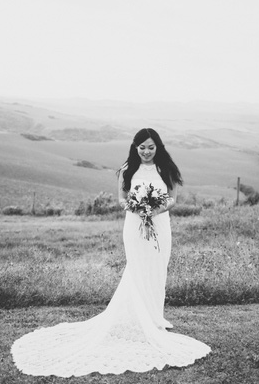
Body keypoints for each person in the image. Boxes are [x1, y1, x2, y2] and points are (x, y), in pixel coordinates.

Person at [11, 128, 210, 377]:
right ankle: (140, 320)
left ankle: (155, 319)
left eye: (151, 147)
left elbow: (172, 199)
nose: (146, 152)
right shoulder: (128, 169)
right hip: (134, 225)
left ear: (158, 146)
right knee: (137, 267)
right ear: (135, 148)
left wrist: (154, 211)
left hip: (160, 224)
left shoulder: (166, 169)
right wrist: (138, 209)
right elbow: (121, 199)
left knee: (158, 268)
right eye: (142, 147)